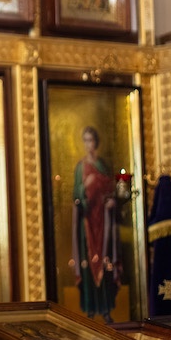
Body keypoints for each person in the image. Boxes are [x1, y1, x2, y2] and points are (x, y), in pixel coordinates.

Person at [70, 125, 121, 323]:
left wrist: (112, 201)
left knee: (105, 262)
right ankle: (90, 310)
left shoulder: (103, 165)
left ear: (96, 142)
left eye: (91, 140)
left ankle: (106, 309)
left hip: (104, 223)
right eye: (85, 140)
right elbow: (76, 194)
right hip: (88, 223)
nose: (88, 144)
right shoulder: (80, 168)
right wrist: (85, 185)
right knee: (88, 262)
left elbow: (112, 189)